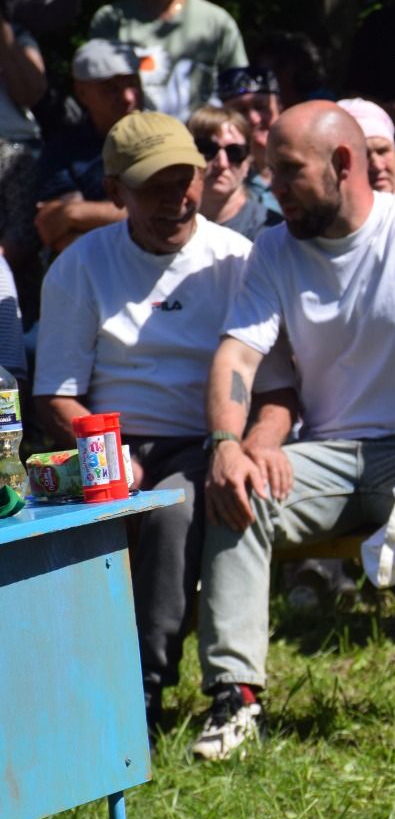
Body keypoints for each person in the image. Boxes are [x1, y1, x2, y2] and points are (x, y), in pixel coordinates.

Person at [196, 101, 395, 763]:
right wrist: (228, 445)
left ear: (342, 165)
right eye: (269, 171)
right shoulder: (273, 248)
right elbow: (238, 357)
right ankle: (234, 697)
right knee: (236, 496)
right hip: (327, 451)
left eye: (287, 172)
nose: (271, 187)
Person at [32, 111, 255, 727]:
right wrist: (109, 447)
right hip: (107, 437)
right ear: (115, 193)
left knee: (173, 509)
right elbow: (55, 393)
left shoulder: (235, 258)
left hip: (203, 438)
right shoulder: (81, 265)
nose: (175, 198)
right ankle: (54, 682)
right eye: (154, 186)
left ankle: (145, 684)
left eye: (184, 179)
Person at [88, 0, 247, 117]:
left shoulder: (217, 21)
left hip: (200, 142)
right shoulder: (110, 20)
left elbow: (241, 92)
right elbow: (95, 91)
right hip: (131, 139)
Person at [33, 40, 142, 254]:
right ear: (82, 92)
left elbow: (173, 209)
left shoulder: (166, 137)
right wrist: (134, 213)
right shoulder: (63, 150)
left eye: (132, 83)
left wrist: (72, 213)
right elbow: (52, 228)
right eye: (110, 88)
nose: (128, 98)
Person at [187, 106, 282, 241]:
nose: (222, 163)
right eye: (207, 149)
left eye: (234, 152)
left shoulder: (271, 230)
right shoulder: (167, 224)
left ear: (248, 160)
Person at [0, 8, 45, 269]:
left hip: (17, 150)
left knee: (20, 243)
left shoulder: (15, 34)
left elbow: (32, 91)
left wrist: (4, 37)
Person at [216, 66, 282, 214]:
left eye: (261, 107)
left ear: (279, 108)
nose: (254, 119)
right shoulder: (217, 177)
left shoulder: (302, 163)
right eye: (241, 111)